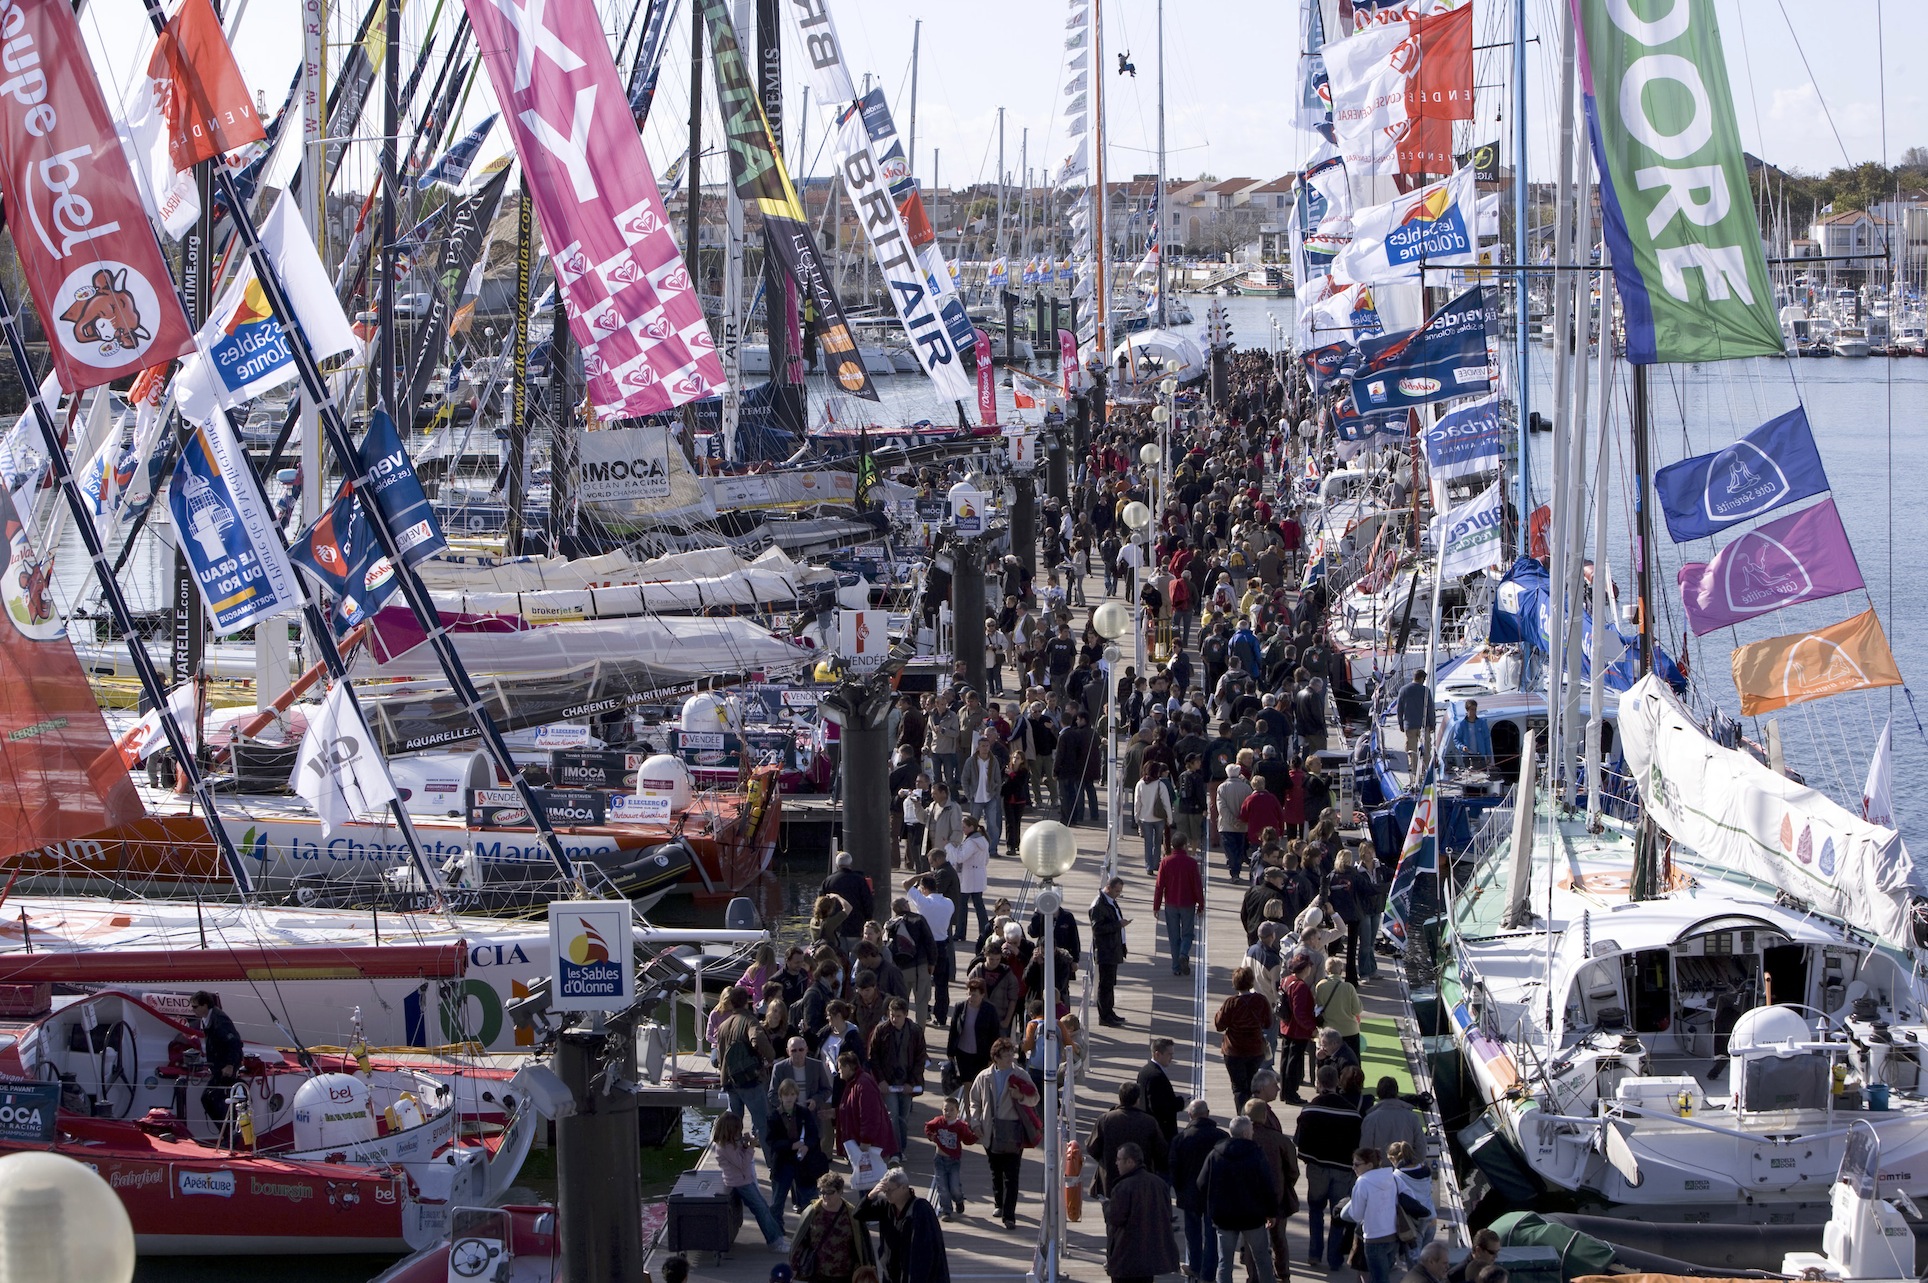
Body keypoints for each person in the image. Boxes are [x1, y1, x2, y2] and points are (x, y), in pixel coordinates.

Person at [966, 1038, 1040, 1230]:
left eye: (1011, 1054)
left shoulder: (1020, 1074)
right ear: (996, 1057)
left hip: (1013, 1130)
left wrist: (1020, 1096)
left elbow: (1035, 1098)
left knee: (1012, 1175)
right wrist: (975, 1123)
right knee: (995, 1171)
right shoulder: (984, 1077)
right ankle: (999, 1202)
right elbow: (974, 1102)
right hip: (989, 1130)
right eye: (1006, 1055)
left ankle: (1009, 1215)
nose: (1009, 1058)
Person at [1296, 1065, 1364, 1270]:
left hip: (1316, 1168)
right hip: (1343, 1170)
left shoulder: (1309, 1110)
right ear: (1337, 1082)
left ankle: (1314, 1255)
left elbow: (1300, 1140)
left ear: (1318, 1082)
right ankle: (1335, 1259)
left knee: (1315, 1210)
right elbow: (1357, 1143)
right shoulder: (1352, 1114)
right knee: (1339, 1213)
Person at [1198, 1115, 1278, 1283]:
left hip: (1223, 1217)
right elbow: (1267, 1185)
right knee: (1262, 1258)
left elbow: (1201, 1183)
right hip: (1253, 1217)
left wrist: (1213, 1204)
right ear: (1246, 1133)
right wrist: (1271, 1212)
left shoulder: (1216, 1154)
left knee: (1224, 1262)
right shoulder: (1256, 1153)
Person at [855, 1168, 951, 1283]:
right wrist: (870, 1195)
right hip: (891, 1274)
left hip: (916, 1275)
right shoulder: (885, 1206)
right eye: (885, 1191)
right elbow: (858, 1214)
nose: (887, 1194)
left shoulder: (921, 1209)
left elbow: (928, 1251)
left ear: (904, 1188)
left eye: (890, 1190)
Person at [714, 1111, 792, 1251]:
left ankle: (778, 1239)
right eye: (737, 1130)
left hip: (744, 1180)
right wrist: (750, 1148)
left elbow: (739, 1158)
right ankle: (775, 1243)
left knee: (763, 1209)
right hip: (740, 1183)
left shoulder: (730, 1144)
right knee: (761, 1211)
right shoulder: (725, 1147)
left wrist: (744, 1146)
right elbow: (742, 1164)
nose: (739, 1133)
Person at [1103, 1142, 1180, 1283]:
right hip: (1149, 1256)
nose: (1116, 1163)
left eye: (1119, 1159)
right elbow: (1167, 1215)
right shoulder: (1159, 1183)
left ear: (1130, 1162)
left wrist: (1106, 1206)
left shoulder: (1123, 1187)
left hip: (1125, 1256)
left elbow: (1115, 1218)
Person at [1169, 1099, 1226, 1283]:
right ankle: (1208, 1274)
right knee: (1211, 1234)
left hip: (1189, 1193)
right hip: (1215, 1194)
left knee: (1192, 1231)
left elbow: (1173, 1168)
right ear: (1208, 1113)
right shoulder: (1222, 1136)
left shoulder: (1180, 1139)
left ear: (1190, 1115)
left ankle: (1194, 1266)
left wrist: (1179, 1190)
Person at [1085, 1082, 1169, 1197]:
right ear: (1138, 1100)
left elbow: (1092, 1147)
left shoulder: (1105, 1120)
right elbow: (1161, 1151)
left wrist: (1106, 1160)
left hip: (1110, 1180)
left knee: (1112, 1212)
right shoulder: (1149, 1121)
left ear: (1120, 1098)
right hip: (1141, 1181)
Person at [867, 999, 927, 1155]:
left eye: (898, 1016)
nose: (894, 1019)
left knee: (903, 1117)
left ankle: (902, 1146)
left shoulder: (915, 1031)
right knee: (892, 1115)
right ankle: (897, 1150)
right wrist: (880, 1080)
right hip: (888, 1082)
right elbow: (873, 1057)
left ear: (906, 1015)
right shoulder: (881, 1030)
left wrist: (911, 1082)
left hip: (907, 1081)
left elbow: (920, 1059)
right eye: (892, 1015)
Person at [791, 1173, 875, 1283]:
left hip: (845, 1275)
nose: (825, 1196)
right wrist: (794, 1267)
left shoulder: (852, 1214)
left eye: (830, 1192)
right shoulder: (812, 1212)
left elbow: (862, 1246)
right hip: (817, 1274)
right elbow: (800, 1241)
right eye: (822, 1192)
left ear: (840, 1192)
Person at [767, 1077, 831, 1216]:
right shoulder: (774, 1116)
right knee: (777, 1201)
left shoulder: (804, 1113)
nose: (789, 1098)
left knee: (810, 1201)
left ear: (796, 1095)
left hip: (804, 1163)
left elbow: (814, 1135)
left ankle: (810, 1228)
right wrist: (791, 1145)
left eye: (792, 1094)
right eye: (786, 1095)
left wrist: (807, 1146)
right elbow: (772, 1142)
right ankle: (776, 1230)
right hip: (783, 1163)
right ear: (780, 1096)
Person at [719, 986, 777, 1138]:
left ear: (731, 1003)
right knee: (763, 1124)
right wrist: (770, 1057)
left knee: (733, 1126)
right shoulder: (750, 1021)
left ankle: (734, 1158)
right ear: (747, 1002)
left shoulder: (723, 1026)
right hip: (749, 1079)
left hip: (730, 1080)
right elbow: (757, 1038)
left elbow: (720, 1056)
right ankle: (771, 1161)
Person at [1213, 964, 1272, 1112]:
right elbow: (1268, 1023)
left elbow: (1219, 1025)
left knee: (1239, 1088)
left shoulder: (1231, 1003)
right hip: (1255, 1050)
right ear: (1251, 982)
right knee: (1253, 1086)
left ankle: (1242, 1116)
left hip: (1234, 1051)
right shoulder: (1261, 1000)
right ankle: (1255, 1115)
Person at [771, 1036, 838, 1159]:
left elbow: (827, 1089)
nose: (798, 1053)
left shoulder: (816, 1066)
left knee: (812, 1153)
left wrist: (815, 1100)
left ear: (806, 1050)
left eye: (801, 1050)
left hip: (811, 1116)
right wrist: (787, 1106)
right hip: (789, 1119)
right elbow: (772, 1094)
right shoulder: (780, 1068)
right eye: (793, 1050)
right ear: (788, 1052)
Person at [1152, 835, 1206, 976]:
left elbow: (1159, 886)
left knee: (1173, 936)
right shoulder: (1191, 863)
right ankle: (1183, 953)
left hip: (1170, 904)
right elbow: (1197, 885)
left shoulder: (1165, 862)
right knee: (1188, 933)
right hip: (1187, 903)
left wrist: (1156, 906)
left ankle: (1176, 967)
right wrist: (1201, 904)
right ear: (1184, 845)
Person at [1348, 1147, 1402, 1283]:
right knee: (1383, 1277)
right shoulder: (1392, 1177)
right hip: (1393, 1236)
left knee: (1378, 1278)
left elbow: (1356, 1215)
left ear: (1369, 1165)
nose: (1353, 1167)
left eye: (1357, 1164)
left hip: (1374, 1238)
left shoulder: (1362, 1183)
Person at [191, 991, 244, 1127]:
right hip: (217, 1066)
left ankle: (228, 1132)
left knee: (209, 1098)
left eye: (195, 1007)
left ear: (205, 1005)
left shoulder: (220, 1020)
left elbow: (235, 1042)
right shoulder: (206, 1019)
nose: (193, 1010)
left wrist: (230, 1064)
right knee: (215, 1098)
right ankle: (227, 1132)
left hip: (225, 1067)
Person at [834, 1051, 899, 1162]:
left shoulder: (863, 1084)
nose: (839, 1071)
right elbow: (851, 1109)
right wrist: (835, 1112)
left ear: (848, 1067)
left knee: (871, 1177)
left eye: (840, 1068)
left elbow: (870, 1115)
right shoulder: (855, 1082)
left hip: (871, 1146)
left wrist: (865, 1141)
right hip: (864, 1143)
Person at [1326, 849, 1376, 986]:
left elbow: (1324, 894)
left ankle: (1328, 974)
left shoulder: (1331, 876)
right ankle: (1351, 979)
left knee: (1333, 945)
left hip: (1336, 914)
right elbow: (1369, 889)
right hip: (1354, 914)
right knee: (1351, 949)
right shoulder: (1354, 875)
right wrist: (1387, 887)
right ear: (1349, 861)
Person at [885, 899, 938, 1028]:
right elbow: (930, 943)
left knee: (901, 1002)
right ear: (905, 906)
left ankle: (901, 1029)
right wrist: (932, 963)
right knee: (921, 1002)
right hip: (920, 967)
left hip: (900, 969)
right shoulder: (918, 919)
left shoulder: (890, 924)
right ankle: (919, 1032)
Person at [924, 1096, 978, 1221]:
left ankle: (959, 1200)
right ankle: (946, 1210)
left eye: (951, 1110)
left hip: (953, 1161)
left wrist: (976, 1136)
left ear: (957, 1112)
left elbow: (967, 1139)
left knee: (954, 1187)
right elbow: (928, 1126)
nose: (948, 1113)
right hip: (939, 1159)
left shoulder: (960, 1126)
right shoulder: (938, 1122)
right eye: (945, 1110)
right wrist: (930, 1136)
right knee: (942, 1187)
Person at [1089, 876, 1130, 1027]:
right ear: (1109, 888)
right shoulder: (1099, 905)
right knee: (1105, 984)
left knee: (1110, 983)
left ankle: (1109, 1011)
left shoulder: (1109, 901)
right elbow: (1097, 929)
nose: (1118, 894)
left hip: (1113, 948)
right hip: (1105, 949)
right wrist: (1117, 925)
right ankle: (1104, 1016)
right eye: (1117, 891)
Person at [948, 978, 1002, 1086]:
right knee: (967, 1084)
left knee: (979, 1084)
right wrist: (950, 1052)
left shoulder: (990, 1010)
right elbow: (953, 1029)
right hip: (962, 1052)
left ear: (982, 995)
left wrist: (993, 1056)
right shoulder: (960, 1007)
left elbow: (994, 1034)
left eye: (974, 995)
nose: (970, 998)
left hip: (981, 1054)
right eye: (969, 994)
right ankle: (968, 1103)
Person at [1361, 1078, 1425, 1159]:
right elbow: (1421, 1148)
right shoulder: (1412, 1117)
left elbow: (1365, 1149)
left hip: (1380, 1169)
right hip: (1405, 1167)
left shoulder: (1370, 1119)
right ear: (1396, 1092)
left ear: (1378, 1093)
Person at [953, 814, 992, 943]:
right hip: (979, 875)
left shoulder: (971, 842)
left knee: (962, 906)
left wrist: (951, 848)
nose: (963, 829)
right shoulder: (982, 840)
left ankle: (960, 933)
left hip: (969, 876)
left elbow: (961, 857)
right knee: (979, 905)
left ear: (971, 827)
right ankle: (985, 932)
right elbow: (986, 860)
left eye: (964, 827)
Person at [1136, 1038, 1182, 1146]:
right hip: (1160, 1134)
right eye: (1169, 1054)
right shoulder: (1156, 1076)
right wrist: (1180, 1103)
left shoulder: (1145, 1070)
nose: (1172, 1058)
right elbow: (1158, 1108)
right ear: (1157, 1054)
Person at [1315, 956, 1364, 1058]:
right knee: (1352, 1063)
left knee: (1329, 1063)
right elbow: (1357, 1009)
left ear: (1326, 970)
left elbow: (1319, 1008)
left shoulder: (1321, 987)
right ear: (1341, 971)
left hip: (1329, 1032)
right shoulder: (1348, 987)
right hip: (1350, 1030)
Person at [1133, 761, 1175, 875]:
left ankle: (1149, 866)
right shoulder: (1160, 784)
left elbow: (1137, 803)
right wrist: (1170, 819)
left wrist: (1136, 818)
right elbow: (1166, 803)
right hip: (1159, 818)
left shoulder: (1140, 784)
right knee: (1157, 842)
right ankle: (1156, 863)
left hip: (1145, 818)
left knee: (1148, 843)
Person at [822, 852, 875, 939]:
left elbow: (822, 904)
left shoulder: (828, 881)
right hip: (856, 926)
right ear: (850, 864)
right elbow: (868, 902)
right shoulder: (860, 880)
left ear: (836, 864)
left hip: (836, 928)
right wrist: (868, 919)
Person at [1216, 765, 1254, 881]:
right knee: (1239, 849)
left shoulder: (1222, 787)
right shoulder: (1247, 788)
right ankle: (1236, 869)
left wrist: (1232, 821)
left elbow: (1221, 808)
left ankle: (1234, 871)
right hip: (1242, 826)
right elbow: (1249, 807)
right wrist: (1241, 820)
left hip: (1226, 826)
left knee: (1230, 850)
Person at [1396, 672, 1434, 768]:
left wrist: (1401, 724)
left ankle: (1413, 773)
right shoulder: (1426, 691)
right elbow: (1430, 709)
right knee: (1426, 751)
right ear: (1421, 678)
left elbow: (1399, 709)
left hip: (1409, 726)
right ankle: (1425, 772)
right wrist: (1432, 724)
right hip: (1424, 726)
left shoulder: (1403, 690)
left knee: (1412, 752)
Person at [1000, 749, 1031, 859]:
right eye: (1013, 757)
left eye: (1017, 758)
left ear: (1022, 760)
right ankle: (1010, 846)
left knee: (1017, 822)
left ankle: (1017, 843)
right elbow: (1003, 782)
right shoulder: (1006, 769)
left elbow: (1020, 784)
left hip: (1019, 800)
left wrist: (1012, 775)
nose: (1015, 760)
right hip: (1008, 799)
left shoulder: (1024, 772)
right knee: (1010, 822)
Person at [1444, 699, 1493, 768]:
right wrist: (1462, 747)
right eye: (1472, 709)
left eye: (1475, 709)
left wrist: (1489, 754)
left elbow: (1486, 739)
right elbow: (1456, 739)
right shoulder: (1460, 725)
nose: (1473, 712)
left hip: (1480, 755)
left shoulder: (1482, 723)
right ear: (1467, 710)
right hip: (1467, 756)